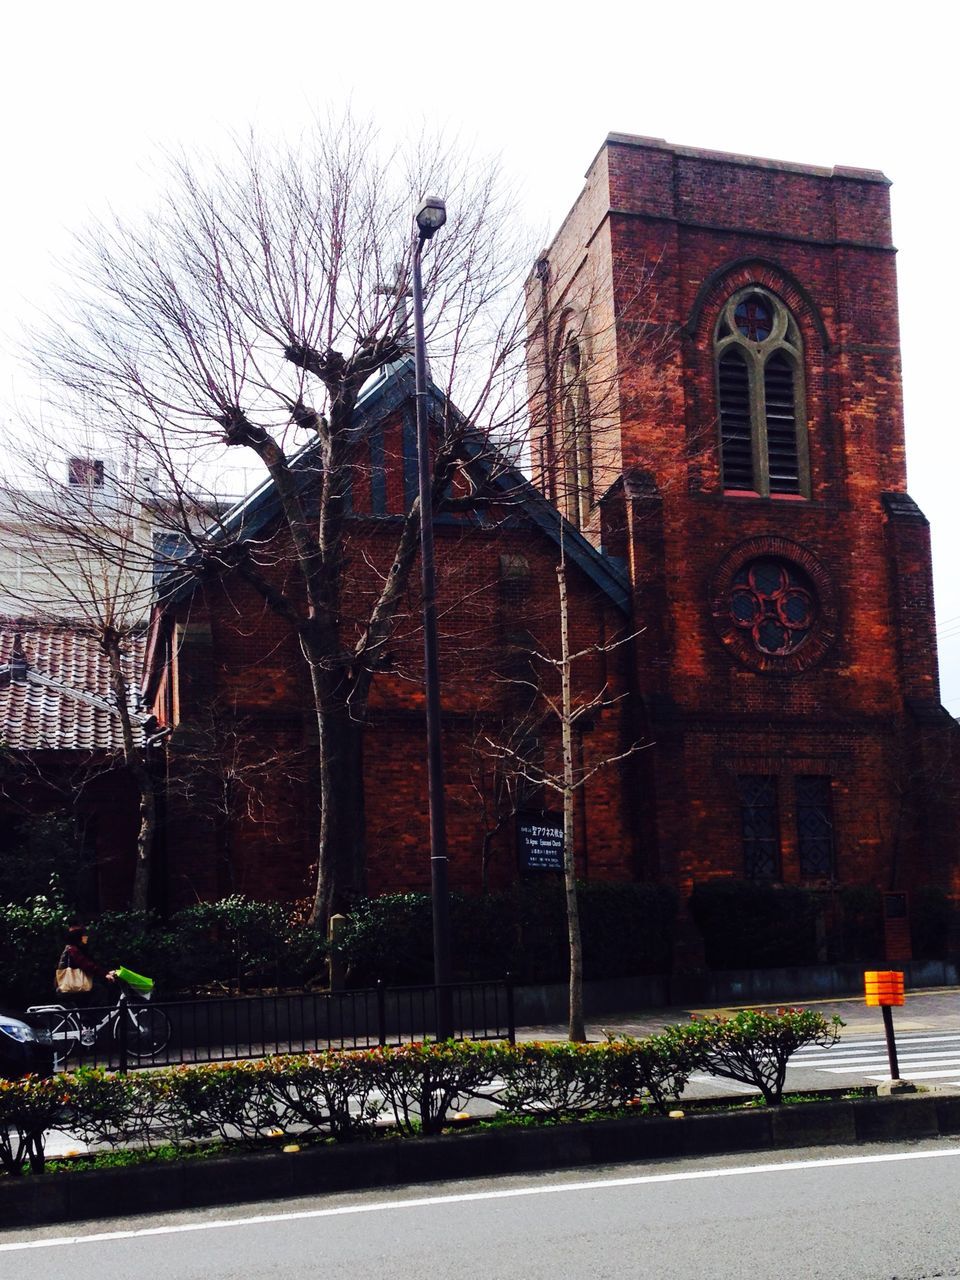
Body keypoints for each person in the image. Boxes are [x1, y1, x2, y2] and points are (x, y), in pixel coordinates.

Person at [56, 922, 117, 1007]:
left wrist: (106, 972)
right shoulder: (73, 950)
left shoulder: (76, 949)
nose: (86, 938)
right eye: (84, 936)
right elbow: (86, 965)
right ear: (78, 937)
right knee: (99, 990)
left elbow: (90, 964)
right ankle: (88, 1018)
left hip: (75, 983)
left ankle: (86, 1015)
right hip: (71, 985)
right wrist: (104, 974)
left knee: (96, 989)